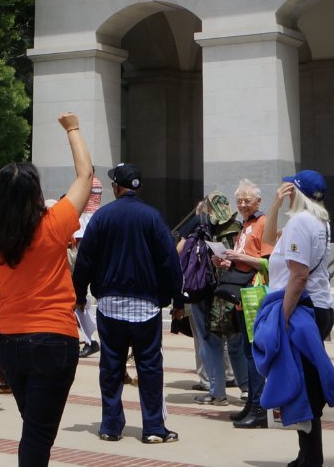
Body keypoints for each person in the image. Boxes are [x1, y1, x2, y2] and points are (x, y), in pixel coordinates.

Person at [0, 112, 93, 467]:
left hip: (12, 343)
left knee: (34, 428)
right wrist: (72, 128)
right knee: (38, 436)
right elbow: (85, 176)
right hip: (55, 340)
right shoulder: (54, 225)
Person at [72, 160, 183, 444]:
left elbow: (85, 259)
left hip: (109, 306)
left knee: (111, 367)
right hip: (146, 306)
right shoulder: (153, 217)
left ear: (116, 187)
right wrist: (176, 298)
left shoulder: (103, 217)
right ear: (139, 187)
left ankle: (110, 426)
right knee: (149, 367)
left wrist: (80, 294)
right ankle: (154, 428)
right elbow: (170, 261)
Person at [258, 169, 334, 467]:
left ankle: (311, 458)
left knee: (305, 384)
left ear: (298, 192)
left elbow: (298, 275)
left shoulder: (301, 222)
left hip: (302, 308)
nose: (286, 191)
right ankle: (307, 454)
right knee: (305, 382)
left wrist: (283, 316)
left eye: (290, 189)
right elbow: (268, 243)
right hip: (316, 307)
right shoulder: (317, 220)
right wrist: (275, 205)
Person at [181, 192, 246, 407]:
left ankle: (217, 392)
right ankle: (247, 388)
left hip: (204, 290)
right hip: (232, 290)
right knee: (236, 341)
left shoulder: (200, 223)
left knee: (210, 342)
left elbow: (179, 250)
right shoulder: (239, 227)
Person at [220, 179, 271, 428]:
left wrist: (241, 257)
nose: (242, 205)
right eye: (239, 201)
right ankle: (252, 403)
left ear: (258, 202)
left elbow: (268, 262)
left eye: (247, 201)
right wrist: (228, 261)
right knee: (247, 350)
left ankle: (260, 407)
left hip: (254, 293)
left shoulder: (262, 223)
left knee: (253, 353)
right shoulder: (244, 225)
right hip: (242, 295)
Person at [73, 176, 102, 358]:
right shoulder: (99, 219)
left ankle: (89, 340)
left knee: (81, 306)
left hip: (83, 228)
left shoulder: (87, 184)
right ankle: (89, 340)